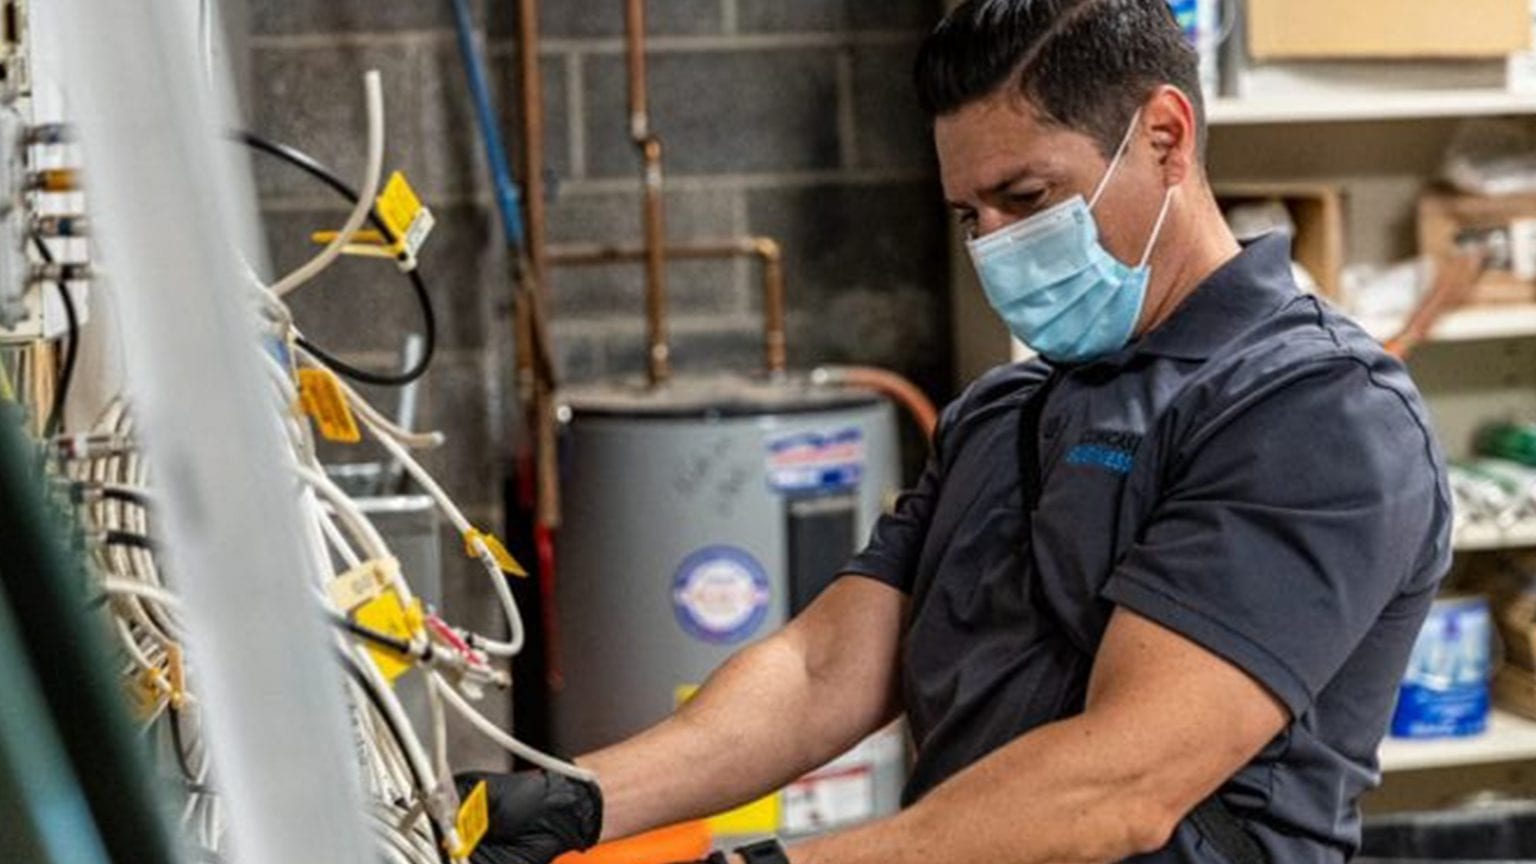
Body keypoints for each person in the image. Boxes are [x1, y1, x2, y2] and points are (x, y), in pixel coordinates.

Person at [458, 1, 1452, 862]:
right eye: (971, 217)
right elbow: (820, 671)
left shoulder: (1315, 415)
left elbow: (1120, 786)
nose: (1000, 246)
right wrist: (583, 797)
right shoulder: (1004, 415)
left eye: (1027, 199)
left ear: (1164, 135)